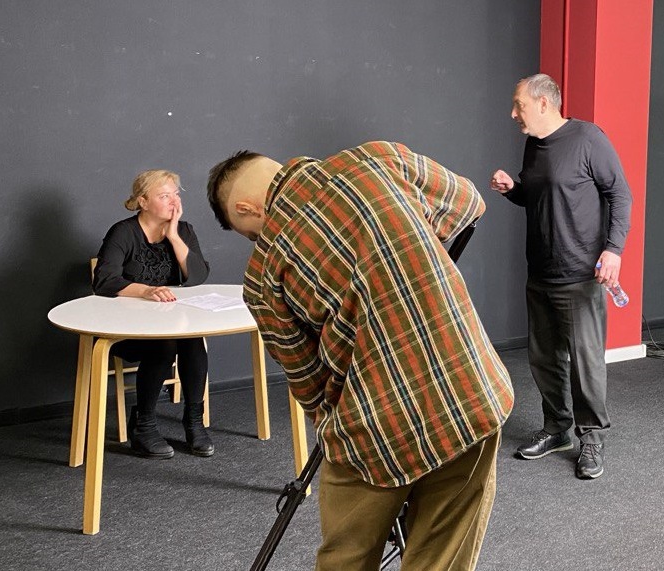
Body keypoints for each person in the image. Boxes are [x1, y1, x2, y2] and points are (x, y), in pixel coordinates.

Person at [207, 141, 514, 570]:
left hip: (371, 429)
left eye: (250, 235)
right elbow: (469, 204)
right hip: (468, 391)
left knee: (346, 556)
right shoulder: (377, 159)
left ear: (246, 208)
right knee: (442, 555)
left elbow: (310, 386)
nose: (256, 242)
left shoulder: (262, 277)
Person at [490, 73, 632, 480]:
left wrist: (613, 250)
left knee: (585, 364)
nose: (512, 113)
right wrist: (512, 189)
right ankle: (557, 429)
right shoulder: (534, 144)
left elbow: (620, 194)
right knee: (544, 359)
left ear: (543, 103)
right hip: (541, 272)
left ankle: (592, 438)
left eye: (519, 105)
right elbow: (537, 195)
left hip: (580, 273)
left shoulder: (588, 139)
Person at [93, 169, 214, 459]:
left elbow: (198, 276)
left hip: (169, 323)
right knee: (164, 344)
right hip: (126, 328)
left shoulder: (184, 230)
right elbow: (104, 281)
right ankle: (144, 425)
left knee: (191, 338)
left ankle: (194, 421)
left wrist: (173, 236)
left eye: (176, 194)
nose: (174, 201)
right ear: (143, 201)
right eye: (164, 195)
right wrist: (146, 290)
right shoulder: (123, 232)